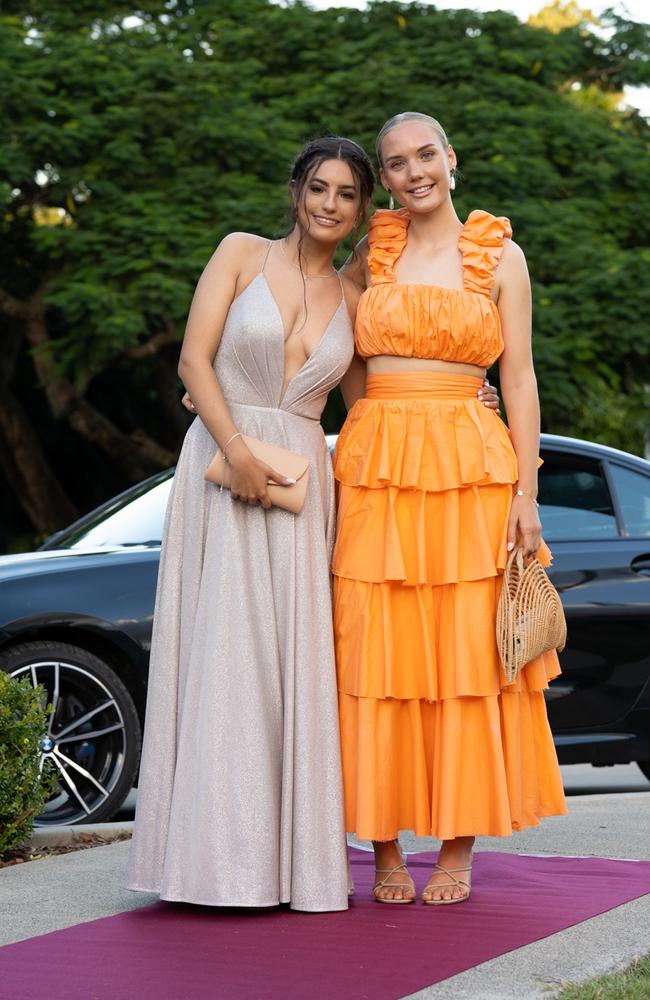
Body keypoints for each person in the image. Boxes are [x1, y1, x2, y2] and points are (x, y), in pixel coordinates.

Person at [127, 134, 500, 912]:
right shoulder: (238, 253)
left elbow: (372, 402)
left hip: (302, 482)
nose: (331, 205)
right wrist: (236, 449)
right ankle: (203, 865)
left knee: (292, 670)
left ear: (367, 209)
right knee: (221, 657)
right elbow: (195, 363)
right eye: (319, 188)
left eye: (348, 195)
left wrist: (468, 401)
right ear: (295, 190)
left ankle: (283, 865)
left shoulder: (357, 294)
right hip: (223, 475)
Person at [331, 112, 567, 906]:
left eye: (424, 155)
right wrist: (369, 423)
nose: (412, 172)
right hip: (378, 468)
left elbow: (523, 381)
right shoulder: (375, 252)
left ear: (450, 159)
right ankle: (386, 845)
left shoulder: (500, 256)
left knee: (465, 660)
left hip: (472, 470)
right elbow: (340, 354)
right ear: (387, 179)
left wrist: (526, 495)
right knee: (376, 657)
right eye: (395, 164)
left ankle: (457, 848)